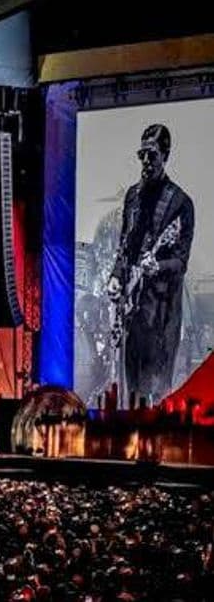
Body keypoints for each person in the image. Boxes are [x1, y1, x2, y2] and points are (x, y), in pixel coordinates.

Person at [106, 124, 194, 406]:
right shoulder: (133, 196)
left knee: (157, 391)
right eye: (141, 154)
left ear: (165, 155)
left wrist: (157, 267)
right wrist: (116, 277)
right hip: (132, 308)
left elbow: (181, 262)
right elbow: (125, 245)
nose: (145, 162)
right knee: (132, 388)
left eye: (152, 155)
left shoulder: (180, 202)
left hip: (161, 312)